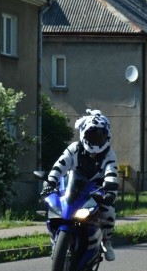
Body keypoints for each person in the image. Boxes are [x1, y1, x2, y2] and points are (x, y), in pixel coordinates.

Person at [42, 109, 118, 261]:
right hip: (72, 187)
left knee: (108, 211)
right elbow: (60, 165)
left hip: (98, 188)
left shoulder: (109, 154)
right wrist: (50, 182)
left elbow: (111, 173)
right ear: (84, 133)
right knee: (53, 209)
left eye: (100, 136)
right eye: (93, 135)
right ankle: (55, 242)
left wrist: (110, 191)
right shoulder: (74, 148)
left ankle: (106, 240)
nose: (97, 140)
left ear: (107, 136)